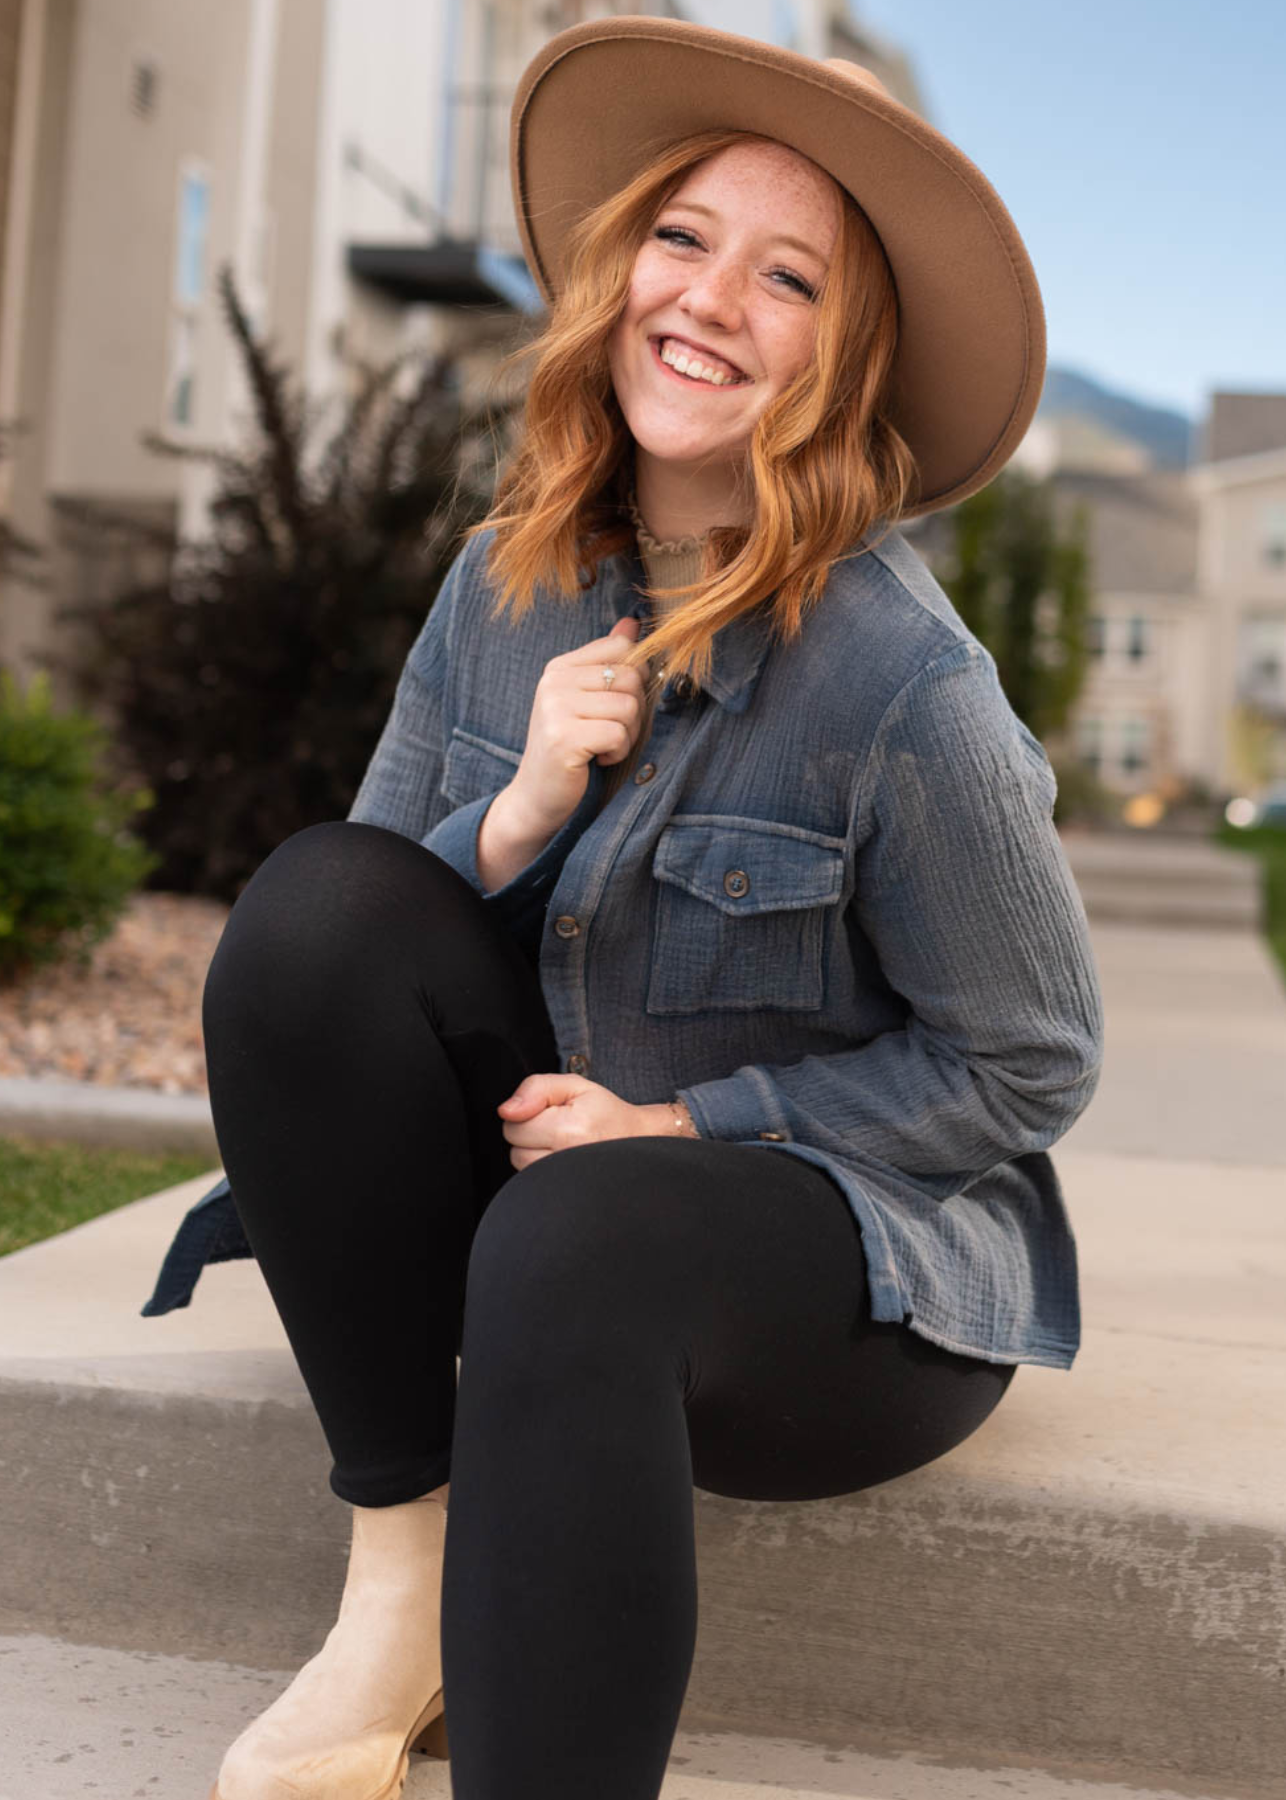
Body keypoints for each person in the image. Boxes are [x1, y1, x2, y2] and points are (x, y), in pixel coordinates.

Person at [175, 18, 1103, 1800]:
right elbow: (347, 944)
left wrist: (689, 1122)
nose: (709, 301)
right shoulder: (499, 582)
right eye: (681, 239)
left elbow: (1031, 1060)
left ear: (847, 359)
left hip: (838, 1277)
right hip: (544, 1194)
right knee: (307, 911)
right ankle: (403, 1575)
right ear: (615, 275)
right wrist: (516, 809)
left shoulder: (902, 685)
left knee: (575, 1234)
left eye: (789, 278)